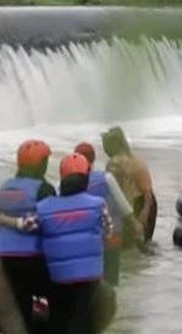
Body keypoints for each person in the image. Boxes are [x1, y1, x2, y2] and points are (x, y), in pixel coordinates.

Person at [36, 153, 113, 334]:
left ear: (62, 177)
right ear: (85, 177)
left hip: (58, 277)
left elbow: (30, 226)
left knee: (60, 316)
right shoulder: (98, 204)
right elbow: (109, 232)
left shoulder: (44, 206)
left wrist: (5, 220)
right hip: (89, 276)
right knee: (84, 317)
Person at [0, 140, 56, 333]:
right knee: (40, 300)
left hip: (4, 258)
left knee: (12, 304)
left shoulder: (4, 187)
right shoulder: (44, 189)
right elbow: (50, 222)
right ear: (41, 163)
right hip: (33, 257)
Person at [74, 142, 145, 286]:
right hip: (111, 237)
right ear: (93, 158)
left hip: (86, 239)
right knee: (111, 282)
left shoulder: (69, 181)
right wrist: (136, 225)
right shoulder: (106, 178)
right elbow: (123, 205)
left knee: (90, 281)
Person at [101, 127, 158, 242]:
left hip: (143, 202)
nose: (105, 150)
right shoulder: (116, 162)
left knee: (142, 242)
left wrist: (144, 212)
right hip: (130, 204)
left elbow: (148, 192)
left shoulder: (134, 163)